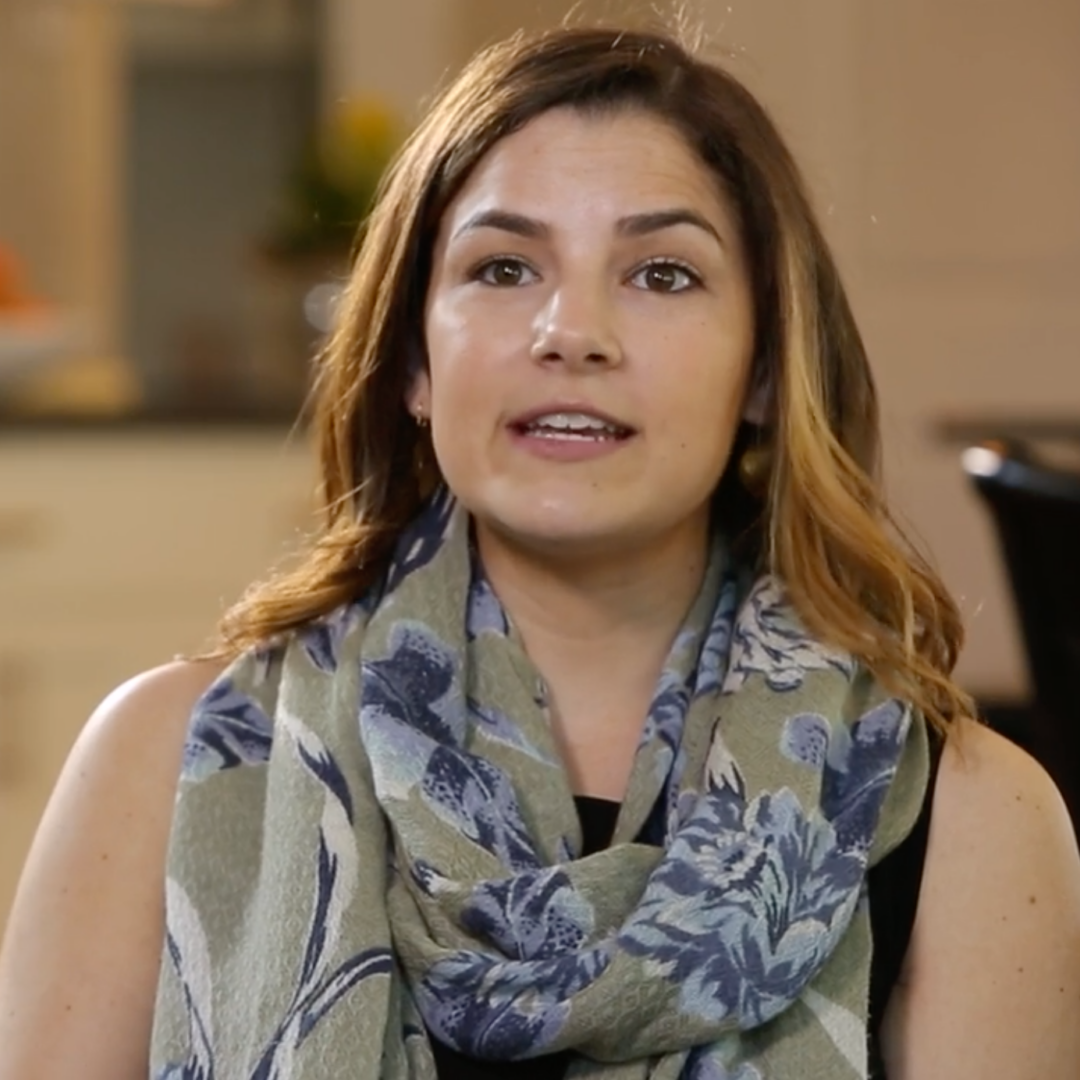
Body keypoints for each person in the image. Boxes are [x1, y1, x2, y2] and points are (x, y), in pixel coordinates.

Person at [2, 22, 1079, 1080]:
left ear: (764, 369)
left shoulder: (974, 822)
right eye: (505, 268)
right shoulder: (161, 763)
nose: (573, 330)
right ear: (413, 364)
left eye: (663, 274)